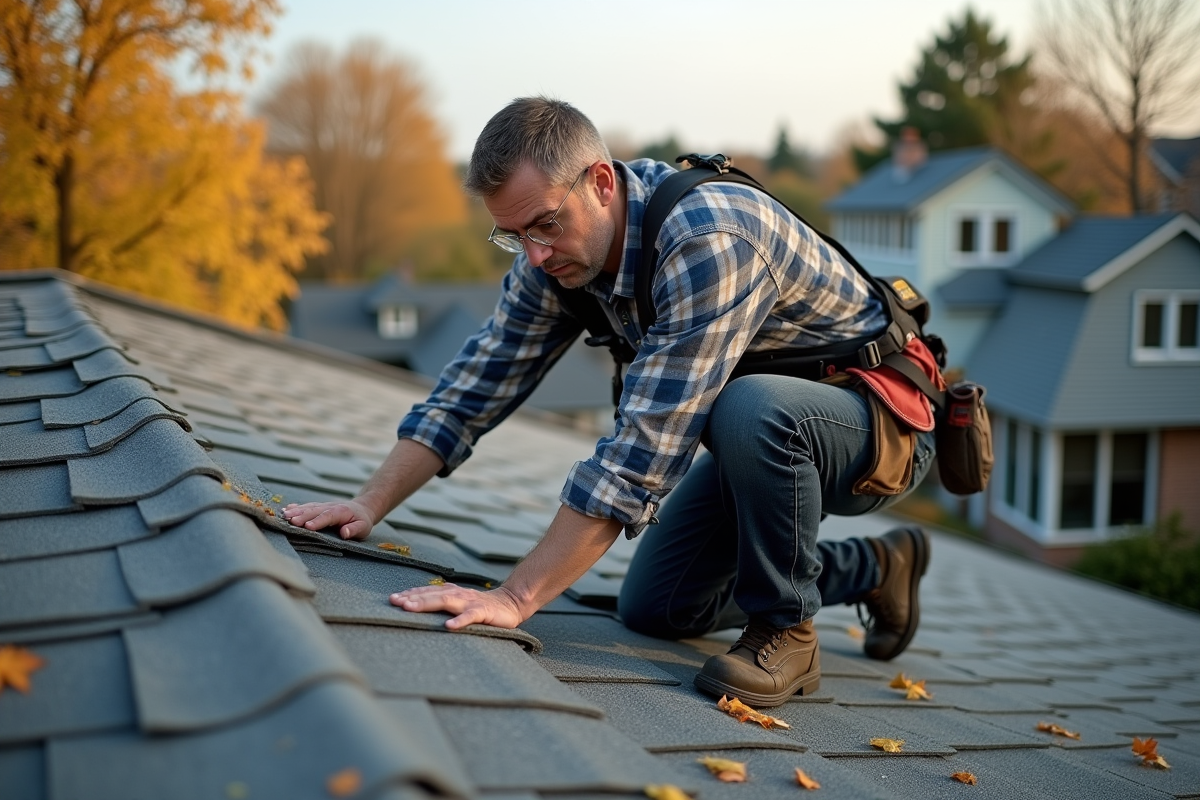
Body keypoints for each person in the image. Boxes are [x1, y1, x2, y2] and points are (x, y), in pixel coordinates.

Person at [283, 97, 937, 708]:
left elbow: (640, 456)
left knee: (751, 406)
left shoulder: (710, 240)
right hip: (764, 449)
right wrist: (370, 502)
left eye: (544, 225)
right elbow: (478, 380)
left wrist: (516, 597)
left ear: (600, 182)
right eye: (513, 236)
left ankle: (786, 630)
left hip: (876, 429)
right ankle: (875, 568)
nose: (534, 255)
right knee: (659, 608)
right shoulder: (555, 258)